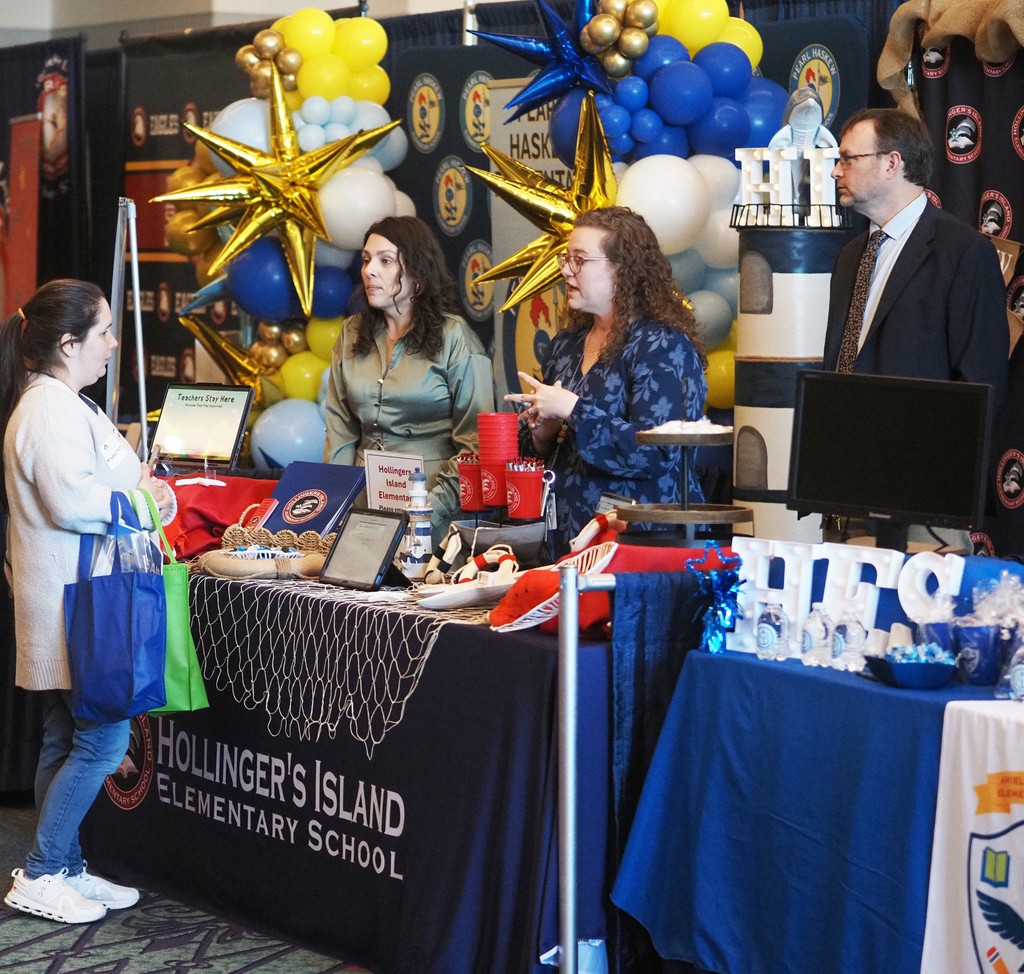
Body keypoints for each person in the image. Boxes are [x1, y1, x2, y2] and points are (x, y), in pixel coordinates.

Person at [0, 279, 176, 924]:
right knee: (102, 744)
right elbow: (73, 501)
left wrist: (149, 494)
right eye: (102, 332)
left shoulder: (69, 403)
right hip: (78, 608)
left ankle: (66, 864)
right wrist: (143, 503)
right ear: (68, 343)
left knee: (63, 737)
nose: (111, 343)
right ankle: (43, 871)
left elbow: (120, 480)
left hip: (80, 603)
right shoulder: (47, 409)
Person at [823, 107, 1009, 544]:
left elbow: (980, 385)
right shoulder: (850, 256)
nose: (836, 171)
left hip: (924, 500)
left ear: (892, 163)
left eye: (848, 158)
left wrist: (930, 478)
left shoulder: (962, 252)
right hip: (844, 488)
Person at [505, 206, 707, 556]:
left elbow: (658, 451)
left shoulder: (662, 346)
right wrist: (541, 436)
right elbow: (540, 456)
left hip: (642, 548)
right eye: (566, 259)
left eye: (580, 260)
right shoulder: (565, 346)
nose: (567, 270)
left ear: (621, 271)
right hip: (565, 547)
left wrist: (572, 408)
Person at [323, 216, 495, 547]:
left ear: (417, 273)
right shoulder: (351, 333)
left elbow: (476, 444)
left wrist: (428, 511)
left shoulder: (454, 337)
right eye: (366, 259)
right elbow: (340, 432)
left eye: (385, 261)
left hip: (436, 514)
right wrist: (335, 510)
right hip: (363, 512)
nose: (369, 270)